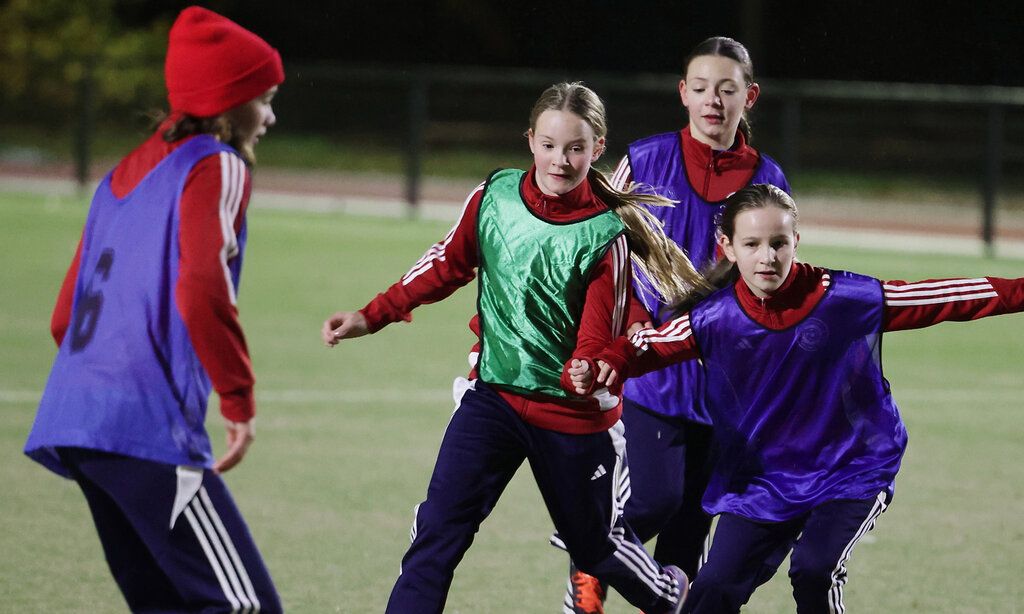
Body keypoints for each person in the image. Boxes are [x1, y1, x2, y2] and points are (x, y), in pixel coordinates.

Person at [320, 82, 706, 613]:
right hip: (493, 399)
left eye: (576, 147)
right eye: (549, 144)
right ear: (530, 141)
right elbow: (447, 263)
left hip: (570, 418)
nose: (560, 159)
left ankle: (667, 595)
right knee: (438, 531)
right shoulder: (494, 195)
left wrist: (586, 367)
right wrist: (372, 314)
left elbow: (598, 333)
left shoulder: (604, 233)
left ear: (598, 149)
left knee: (592, 545)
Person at [567, 183, 1024, 613]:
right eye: (752, 244)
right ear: (727, 247)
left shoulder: (846, 298)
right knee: (713, 588)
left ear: (796, 241)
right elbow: (644, 348)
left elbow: (946, 297)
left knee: (814, 569)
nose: (767, 256)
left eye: (779, 243)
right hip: (765, 481)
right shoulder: (712, 320)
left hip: (850, 469)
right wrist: (603, 363)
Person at [24, 6, 284, 612]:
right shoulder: (217, 163)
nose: (269, 116)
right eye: (263, 98)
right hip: (144, 428)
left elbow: (64, 318)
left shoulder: (118, 175)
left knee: (166, 603)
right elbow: (202, 284)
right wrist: (237, 395)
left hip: (75, 421)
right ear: (226, 103)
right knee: (246, 607)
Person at [564, 36, 791, 614]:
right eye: (702, 87)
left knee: (692, 531)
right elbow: (601, 249)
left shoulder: (768, 176)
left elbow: (776, 272)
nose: (714, 100)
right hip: (651, 367)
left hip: (727, 384)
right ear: (683, 93)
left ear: (750, 97)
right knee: (654, 500)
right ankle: (588, 553)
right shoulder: (645, 159)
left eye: (728, 88)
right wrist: (626, 329)